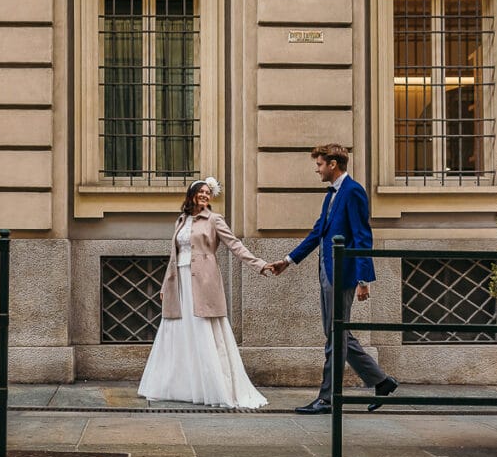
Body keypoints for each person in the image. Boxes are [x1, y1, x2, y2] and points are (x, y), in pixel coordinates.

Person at [267, 144, 397, 414]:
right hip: (327, 270)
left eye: (319, 164)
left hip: (344, 273)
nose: (317, 169)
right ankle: (381, 381)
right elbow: (318, 233)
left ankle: (327, 398)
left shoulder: (353, 192)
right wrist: (288, 261)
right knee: (336, 333)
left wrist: (363, 279)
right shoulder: (331, 195)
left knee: (335, 336)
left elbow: (362, 236)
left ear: (333, 164)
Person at [138, 177, 269, 409]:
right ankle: (181, 386)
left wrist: (258, 264)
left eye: (208, 192)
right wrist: (165, 286)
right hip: (179, 281)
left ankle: (211, 386)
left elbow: (235, 245)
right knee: (178, 328)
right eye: (201, 192)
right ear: (191, 195)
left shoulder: (214, 220)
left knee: (203, 330)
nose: (205, 195)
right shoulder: (181, 220)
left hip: (204, 282)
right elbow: (174, 256)